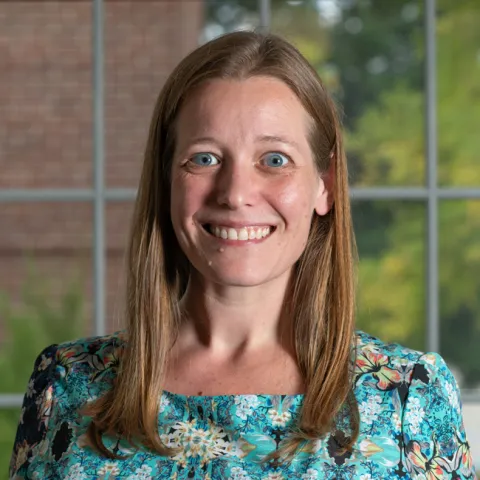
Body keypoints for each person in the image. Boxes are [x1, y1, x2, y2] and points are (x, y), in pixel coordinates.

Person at [9, 31, 475, 480]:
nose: (235, 194)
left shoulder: (408, 397)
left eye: (274, 160)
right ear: (167, 180)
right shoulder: (66, 384)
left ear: (324, 184)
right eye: (205, 158)